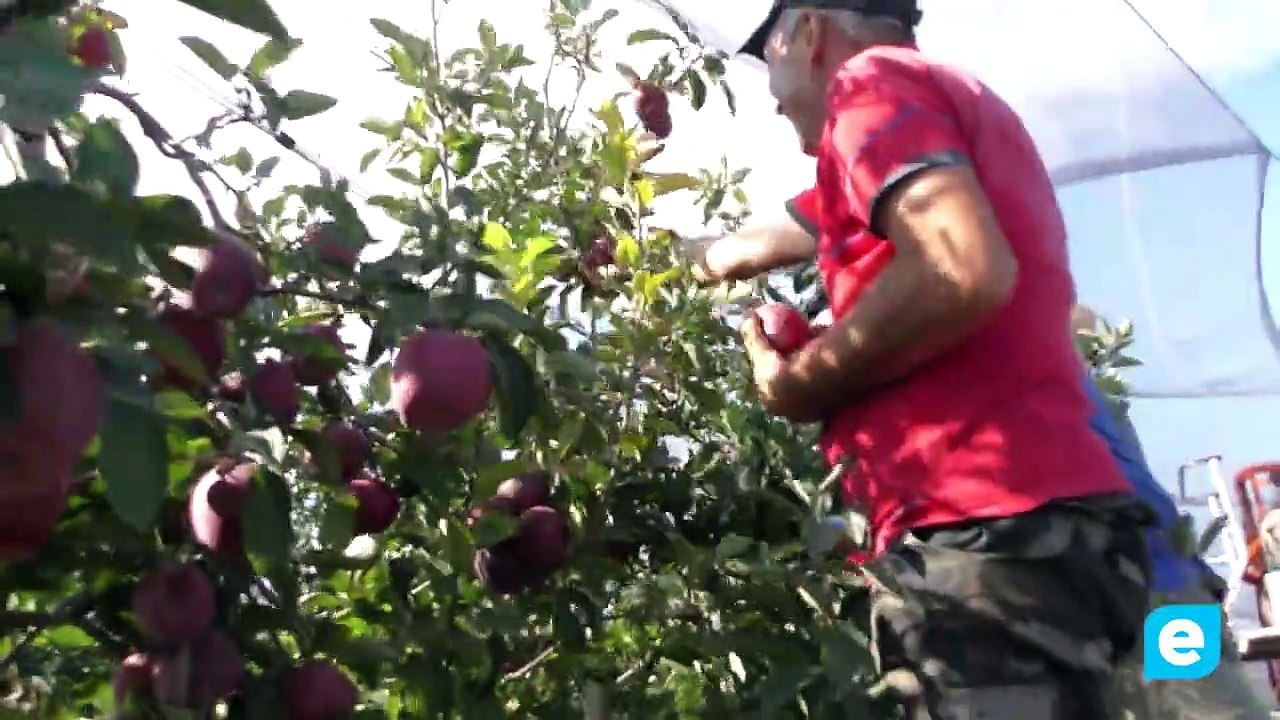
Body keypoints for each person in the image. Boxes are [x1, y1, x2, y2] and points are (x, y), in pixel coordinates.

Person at [683, 1, 1154, 717]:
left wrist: (799, 384)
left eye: (766, 59)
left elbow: (959, 266)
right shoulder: (929, 114)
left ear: (807, 33)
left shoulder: (871, 88)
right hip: (1048, 530)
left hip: (982, 532)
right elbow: (756, 242)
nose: (772, 99)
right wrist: (645, 253)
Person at [1071, 306, 1273, 720]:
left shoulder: (1053, 397)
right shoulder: (1086, 399)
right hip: (1159, 584)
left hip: (1153, 586)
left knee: (1208, 708)